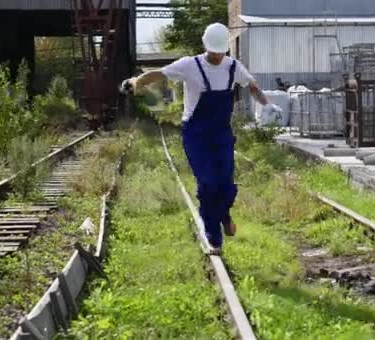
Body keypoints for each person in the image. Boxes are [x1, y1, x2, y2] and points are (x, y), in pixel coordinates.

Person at [121, 23, 282, 254]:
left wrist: (268, 104)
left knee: (226, 185)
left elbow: (252, 86)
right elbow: (160, 73)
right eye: (214, 51)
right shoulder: (190, 65)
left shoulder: (233, 67)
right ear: (206, 46)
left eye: (221, 51)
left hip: (222, 134)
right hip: (195, 134)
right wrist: (138, 81)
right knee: (207, 184)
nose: (217, 55)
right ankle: (214, 238)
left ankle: (224, 214)